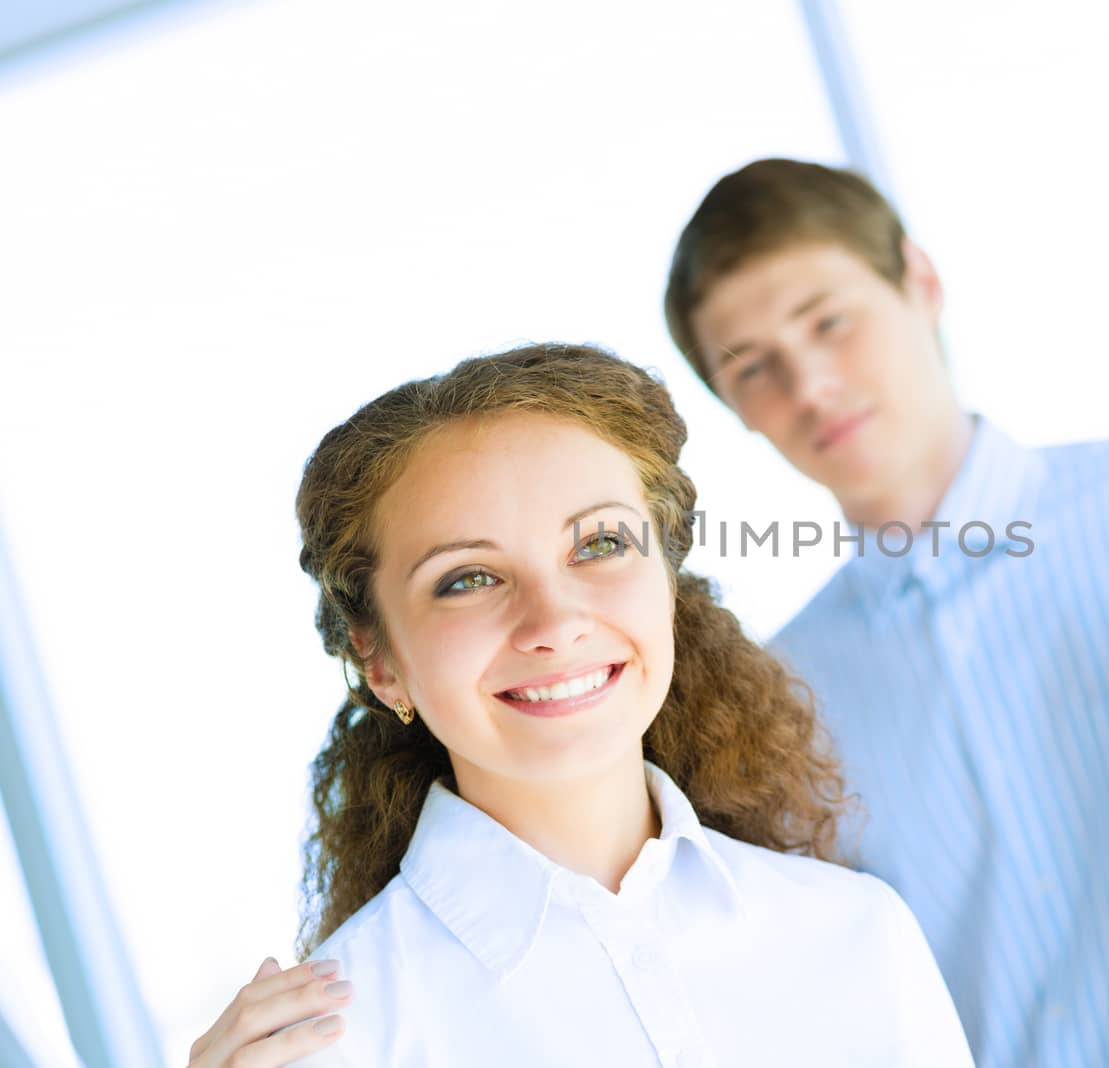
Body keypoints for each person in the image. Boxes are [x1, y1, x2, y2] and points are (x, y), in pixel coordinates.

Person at [191, 164, 1109, 1067]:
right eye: (466, 576)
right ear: (376, 660)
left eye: (830, 321)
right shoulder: (798, 697)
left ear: (919, 282)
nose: (813, 385)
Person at [208, 343, 975, 1066]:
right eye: (468, 578)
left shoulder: (856, 930)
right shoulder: (336, 1039)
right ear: (380, 663)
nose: (553, 624)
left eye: (599, 545)